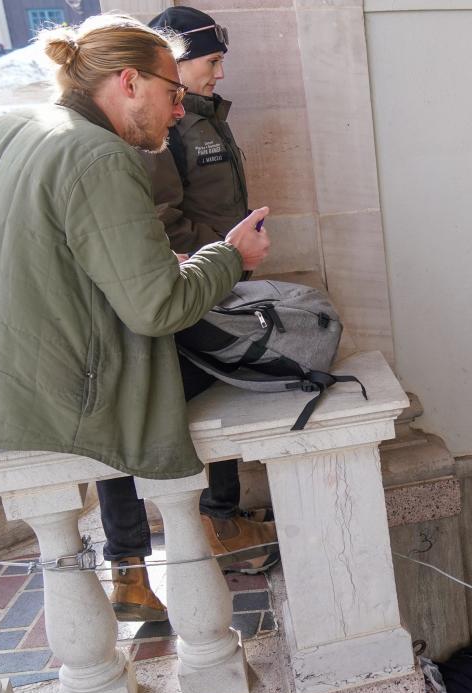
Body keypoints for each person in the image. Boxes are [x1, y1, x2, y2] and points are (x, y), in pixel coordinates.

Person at [0, 14, 271, 620]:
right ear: (129, 82)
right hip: (66, 395)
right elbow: (158, 308)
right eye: (173, 92)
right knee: (265, 350)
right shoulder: (100, 154)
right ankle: (221, 524)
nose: (181, 109)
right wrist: (232, 256)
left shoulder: (7, 128)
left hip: (0, 385)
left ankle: (145, 561)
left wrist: (163, 261)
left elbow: (55, 262)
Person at [90, 6, 277, 622]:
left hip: (210, 278)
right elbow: (160, 218)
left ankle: (217, 519)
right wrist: (222, 253)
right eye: (209, 63)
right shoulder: (144, 135)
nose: (218, 75)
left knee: (207, 390)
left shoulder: (205, 120)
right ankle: (130, 566)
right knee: (126, 422)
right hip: (177, 287)